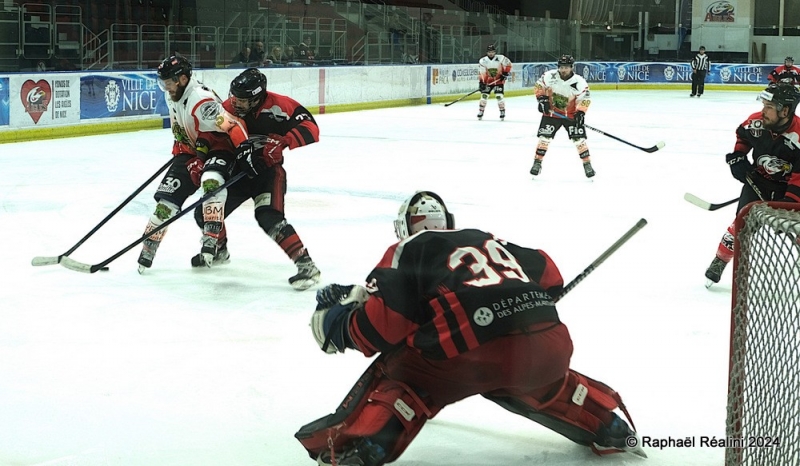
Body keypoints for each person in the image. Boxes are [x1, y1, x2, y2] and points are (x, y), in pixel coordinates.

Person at [295, 190, 645, 465]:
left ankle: (369, 444)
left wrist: (340, 325)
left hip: (467, 356)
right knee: (525, 370)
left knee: (402, 365)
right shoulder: (486, 239)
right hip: (551, 346)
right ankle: (606, 424)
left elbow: (381, 329)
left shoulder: (408, 248)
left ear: (404, 228)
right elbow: (549, 273)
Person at [192, 68, 321, 290]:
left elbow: (311, 128)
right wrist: (200, 157)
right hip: (239, 172)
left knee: (269, 216)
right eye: (235, 98)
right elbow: (211, 135)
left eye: (242, 100)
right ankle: (220, 249)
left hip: (268, 174)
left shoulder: (281, 105)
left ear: (257, 97)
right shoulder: (228, 108)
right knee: (205, 212)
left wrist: (283, 142)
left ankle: (306, 265)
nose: (236, 103)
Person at [136, 55, 245, 274]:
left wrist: (246, 153)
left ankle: (213, 242)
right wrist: (182, 149)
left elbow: (232, 126)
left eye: (169, 82)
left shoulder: (201, 101)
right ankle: (148, 249)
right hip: (190, 152)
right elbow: (181, 129)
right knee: (165, 204)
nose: (165, 88)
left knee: (211, 184)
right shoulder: (173, 94)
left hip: (217, 148)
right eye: (163, 83)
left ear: (183, 79)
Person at [704, 83, 800, 286]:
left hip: (790, 189)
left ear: (785, 111)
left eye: (769, 107)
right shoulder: (756, 122)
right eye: (764, 105)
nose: (763, 111)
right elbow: (743, 135)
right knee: (741, 226)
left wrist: (788, 203)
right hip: (758, 182)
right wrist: (739, 156)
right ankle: (720, 260)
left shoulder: (798, 137)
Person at [531, 54, 594, 178]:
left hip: (571, 115)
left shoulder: (579, 82)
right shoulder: (549, 76)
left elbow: (585, 98)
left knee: (579, 140)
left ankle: (587, 164)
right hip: (551, 114)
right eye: (561, 67)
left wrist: (581, 112)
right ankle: (537, 162)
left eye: (566, 67)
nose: (563, 70)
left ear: (571, 67)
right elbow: (539, 86)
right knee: (544, 138)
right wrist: (542, 99)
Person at [476, 44, 512, 121]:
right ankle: (481, 111)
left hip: (499, 81)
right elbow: (482, 72)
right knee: (484, 96)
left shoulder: (501, 58)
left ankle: (502, 111)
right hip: (488, 82)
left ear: (495, 52)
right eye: (489, 52)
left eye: (492, 52)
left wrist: (505, 73)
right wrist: (482, 83)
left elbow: (509, 64)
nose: (491, 53)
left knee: (499, 96)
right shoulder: (483, 61)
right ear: (487, 52)